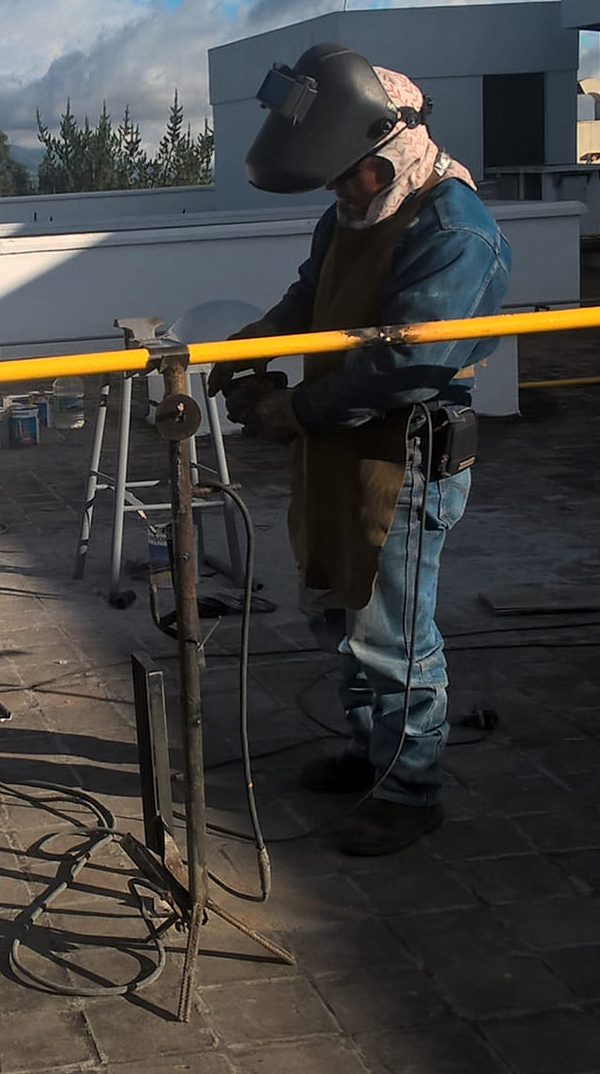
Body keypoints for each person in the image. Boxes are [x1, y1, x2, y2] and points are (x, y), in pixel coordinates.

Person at [208, 44, 510, 856]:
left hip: (404, 457)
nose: (342, 191)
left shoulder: (454, 230)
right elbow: (311, 298)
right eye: (332, 179)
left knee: (394, 633)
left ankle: (410, 790)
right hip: (340, 448)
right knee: (342, 612)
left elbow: (407, 364)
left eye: (352, 175)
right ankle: (372, 753)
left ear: (396, 144)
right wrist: (247, 347)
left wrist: (291, 410)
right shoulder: (351, 211)